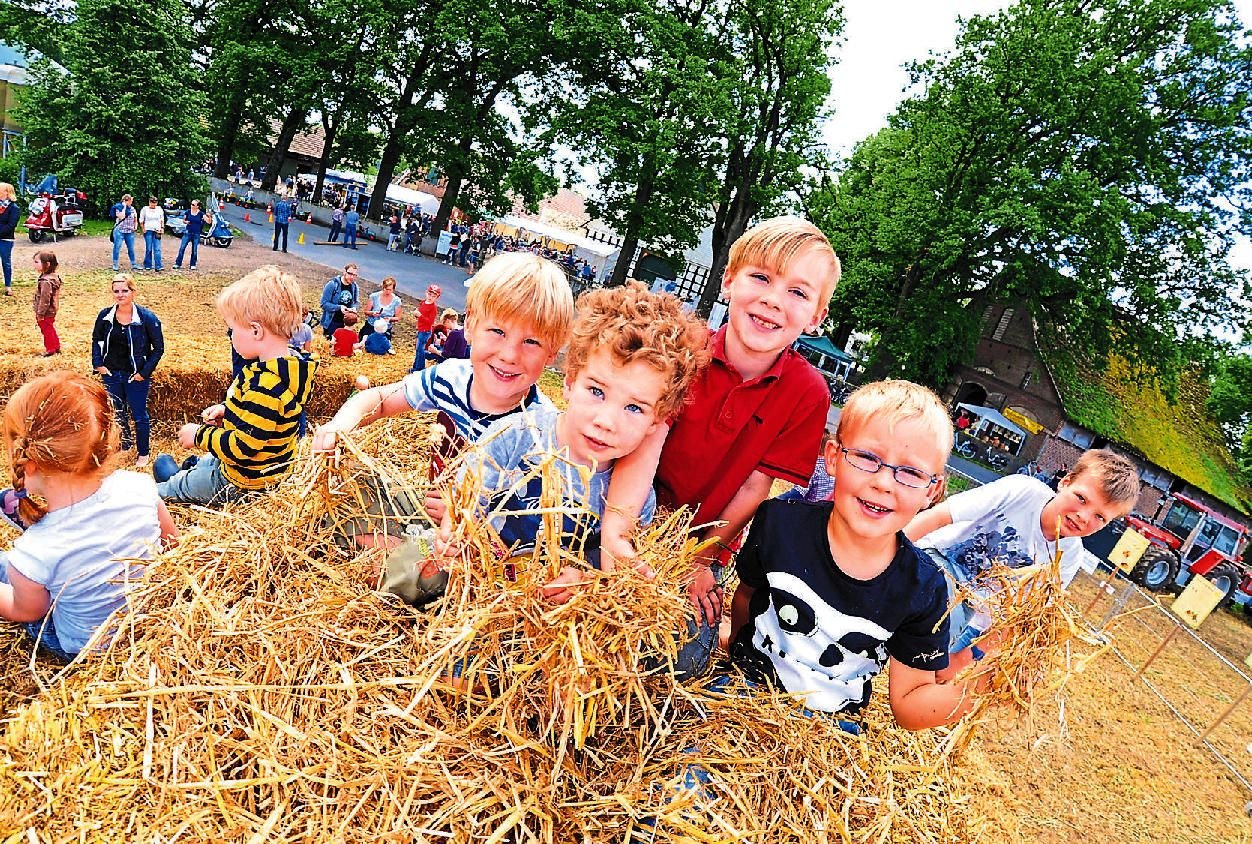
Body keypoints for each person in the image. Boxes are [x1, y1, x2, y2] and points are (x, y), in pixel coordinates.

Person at [599, 216, 842, 678]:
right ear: (729, 280)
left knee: (683, 660)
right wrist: (624, 533)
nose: (773, 300)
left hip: (699, 544)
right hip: (621, 511)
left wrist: (701, 558)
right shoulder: (680, 354)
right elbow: (644, 447)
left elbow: (755, 486)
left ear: (816, 317)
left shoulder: (807, 392)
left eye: (798, 292)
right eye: (761, 277)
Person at [421, 282, 709, 606]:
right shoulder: (513, 438)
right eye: (597, 391)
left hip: (543, 619)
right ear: (570, 381)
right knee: (410, 573)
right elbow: (466, 505)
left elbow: (615, 573)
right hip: (477, 589)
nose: (606, 421)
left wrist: (585, 579)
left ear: (656, 421)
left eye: (634, 408)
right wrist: (455, 531)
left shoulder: (634, 502)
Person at [727, 380, 985, 729]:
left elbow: (910, 707)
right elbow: (746, 598)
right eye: (867, 458)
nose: (884, 483)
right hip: (744, 694)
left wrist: (983, 686)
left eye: (910, 472)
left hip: (829, 733)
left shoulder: (923, 589)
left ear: (932, 491)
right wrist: (734, 656)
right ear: (833, 458)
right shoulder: (779, 524)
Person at [311, 252, 575, 522]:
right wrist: (339, 426)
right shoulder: (452, 378)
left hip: (478, 545)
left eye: (531, 342)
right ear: (470, 326)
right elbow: (379, 398)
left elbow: (539, 531)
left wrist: (465, 516)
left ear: (551, 353)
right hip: (430, 512)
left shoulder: (543, 433)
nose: (509, 355)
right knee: (345, 505)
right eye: (498, 332)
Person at [906, 447, 1139, 674]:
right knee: (924, 628)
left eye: (1100, 517)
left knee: (931, 666)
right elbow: (939, 516)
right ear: (1065, 482)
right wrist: (887, 546)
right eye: (1081, 498)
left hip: (974, 613)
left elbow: (1023, 618)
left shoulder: (1068, 557)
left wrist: (965, 658)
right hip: (939, 560)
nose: (1083, 517)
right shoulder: (1023, 491)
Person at [0, 372, 177, 661]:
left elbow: (29, 611)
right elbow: (173, 547)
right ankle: (48, 520)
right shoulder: (139, 485)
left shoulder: (33, 552)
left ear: (27, 464)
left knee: (6, 564)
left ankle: (38, 520)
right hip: (145, 628)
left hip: (84, 648)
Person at [152, 266, 318, 505]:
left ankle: (178, 483)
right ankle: (192, 470)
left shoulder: (266, 385)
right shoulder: (286, 368)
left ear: (255, 331)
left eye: (232, 329)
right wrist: (228, 410)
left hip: (242, 481)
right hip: (262, 469)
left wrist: (198, 435)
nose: (230, 336)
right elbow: (264, 421)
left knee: (166, 486)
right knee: (206, 462)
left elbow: (243, 447)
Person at [92, 274, 165, 469]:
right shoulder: (105, 316)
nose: (120, 295)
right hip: (112, 374)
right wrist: (98, 364)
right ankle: (125, 444)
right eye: (116, 291)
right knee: (117, 412)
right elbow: (96, 341)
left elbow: (158, 349)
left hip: (136, 376)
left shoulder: (147, 318)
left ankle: (143, 451)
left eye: (125, 290)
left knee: (139, 415)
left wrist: (144, 373)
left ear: (133, 292)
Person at [32, 250, 63, 357]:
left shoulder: (45, 281)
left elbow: (45, 299)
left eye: (36, 262)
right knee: (50, 328)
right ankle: (56, 346)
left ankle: (50, 349)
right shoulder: (53, 277)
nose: (34, 264)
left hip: (46, 311)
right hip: (52, 309)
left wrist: (40, 313)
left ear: (47, 264)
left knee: (46, 329)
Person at [319, 264, 361, 338]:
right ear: (344, 271)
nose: (352, 277)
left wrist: (354, 308)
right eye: (350, 273)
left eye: (354, 275)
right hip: (332, 322)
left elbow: (356, 302)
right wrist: (339, 307)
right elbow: (323, 304)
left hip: (347, 324)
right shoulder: (332, 284)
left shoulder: (355, 287)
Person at [360, 276, 403, 341]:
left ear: (393, 289)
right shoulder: (374, 296)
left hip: (384, 328)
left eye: (390, 290)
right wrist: (372, 313)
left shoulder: (396, 301)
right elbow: (366, 311)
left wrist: (389, 319)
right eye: (386, 289)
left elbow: (398, 317)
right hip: (371, 326)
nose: (387, 291)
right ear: (383, 287)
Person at [411, 284, 442, 372]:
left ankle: (419, 368)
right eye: (430, 294)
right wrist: (417, 315)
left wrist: (420, 316)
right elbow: (420, 313)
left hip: (425, 331)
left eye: (433, 296)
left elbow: (430, 322)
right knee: (418, 349)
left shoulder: (433, 308)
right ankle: (416, 366)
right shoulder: (423, 302)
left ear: (437, 297)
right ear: (426, 293)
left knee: (420, 350)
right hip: (421, 329)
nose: (430, 297)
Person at [174, 199, 210, 270]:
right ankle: (178, 263)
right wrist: (186, 222)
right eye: (191, 204)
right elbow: (183, 220)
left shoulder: (201, 214)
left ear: (197, 206)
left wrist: (209, 216)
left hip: (196, 233)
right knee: (182, 248)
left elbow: (208, 222)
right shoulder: (188, 212)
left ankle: (193, 264)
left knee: (194, 249)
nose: (192, 206)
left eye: (193, 205)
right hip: (188, 232)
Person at [109, 193, 139, 272]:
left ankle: (134, 264)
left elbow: (135, 219)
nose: (131, 202)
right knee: (117, 247)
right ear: (126, 200)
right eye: (130, 201)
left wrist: (135, 227)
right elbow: (121, 216)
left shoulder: (133, 209)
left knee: (131, 248)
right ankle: (115, 264)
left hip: (130, 231)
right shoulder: (119, 207)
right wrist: (125, 207)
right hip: (120, 231)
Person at [138, 196, 165, 273]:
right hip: (148, 230)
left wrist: (162, 228)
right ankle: (148, 264)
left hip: (157, 230)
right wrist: (143, 228)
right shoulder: (145, 209)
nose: (153, 204)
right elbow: (141, 220)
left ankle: (158, 265)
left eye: (154, 202)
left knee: (157, 249)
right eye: (151, 202)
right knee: (149, 248)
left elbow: (162, 219)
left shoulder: (159, 209)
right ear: (149, 202)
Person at [0, 182, 17, 296]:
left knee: (6, 262)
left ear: (7, 192)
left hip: (6, 239)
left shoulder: (14, 208)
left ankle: (8, 286)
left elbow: (11, 225)